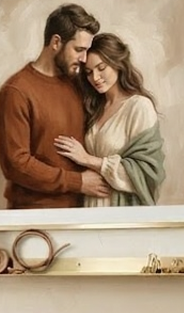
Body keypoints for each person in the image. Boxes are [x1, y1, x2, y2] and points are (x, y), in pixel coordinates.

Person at [0, 3, 111, 208]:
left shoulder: (79, 84)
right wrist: (78, 182)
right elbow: (16, 164)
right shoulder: (16, 91)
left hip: (81, 210)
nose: (84, 59)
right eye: (79, 50)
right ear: (56, 42)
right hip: (33, 213)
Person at [53, 32, 165, 206]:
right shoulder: (94, 108)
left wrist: (87, 159)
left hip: (120, 208)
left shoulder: (139, 107)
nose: (95, 78)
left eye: (101, 68)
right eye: (89, 72)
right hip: (91, 203)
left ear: (117, 63)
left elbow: (146, 175)